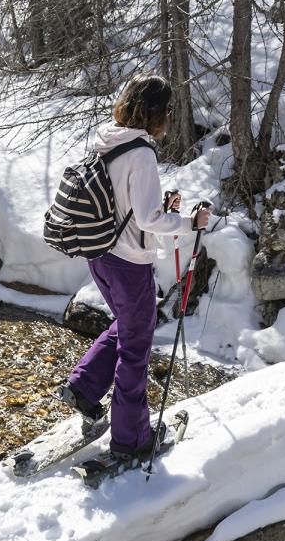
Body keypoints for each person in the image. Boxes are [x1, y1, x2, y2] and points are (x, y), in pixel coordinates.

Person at [59, 74, 212, 461]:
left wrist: (163, 209)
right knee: (136, 347)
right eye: (168, 110)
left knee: (127, 326)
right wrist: (188, 224)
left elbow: (126, 204)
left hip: (100, 255)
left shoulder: (109, 140)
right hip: (129, 264)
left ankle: (83, 387)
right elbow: (145, 218)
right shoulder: (141, 152)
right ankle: (131, 440)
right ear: (157, 113)